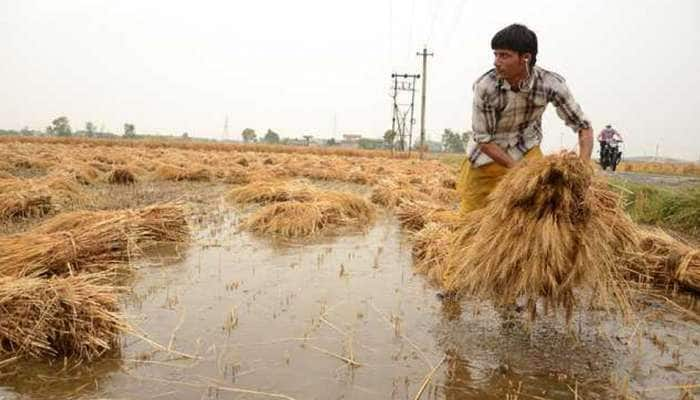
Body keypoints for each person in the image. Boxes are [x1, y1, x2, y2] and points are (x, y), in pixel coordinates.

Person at [458, 24, 593, 215]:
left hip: (526, 149)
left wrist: (583, 168)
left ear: (525, 58)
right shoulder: (485, 87)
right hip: (487, 158)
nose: (497, 62)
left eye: (504, 55)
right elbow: (484, 140)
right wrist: (518, 170)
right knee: (472, 221)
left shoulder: (550, 84)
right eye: (495, 54)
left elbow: (583, 126)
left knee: (538, 213)